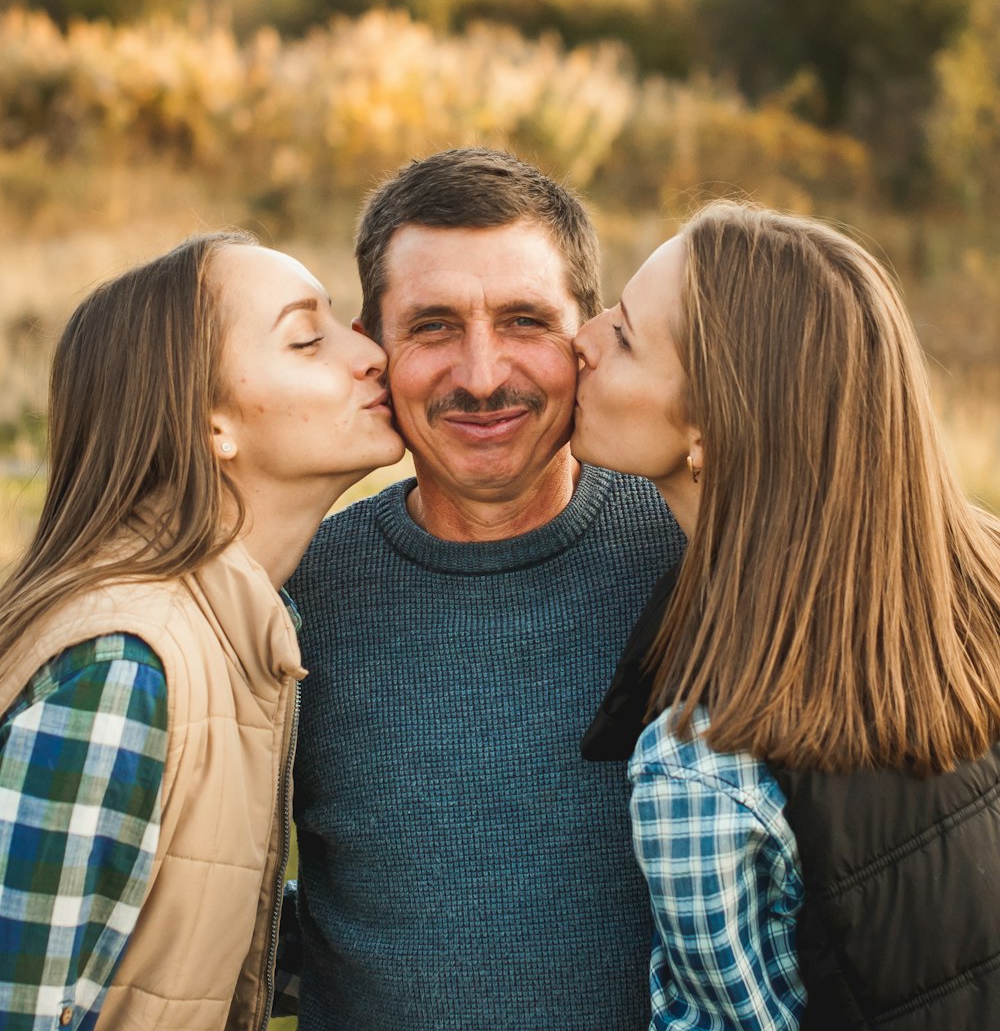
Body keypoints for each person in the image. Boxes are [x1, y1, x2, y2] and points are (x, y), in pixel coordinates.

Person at [572, 199, 1000, 1031]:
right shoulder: (983, 574)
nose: (579, 339)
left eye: (622, 335)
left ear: (708, 426)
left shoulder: (701, 764)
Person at [286, 147, 686, 1030]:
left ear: (586, 336)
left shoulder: (701, 560)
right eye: (431, 325)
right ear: (372, 346)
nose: (480, 375)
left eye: (524, 321)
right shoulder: (296, 598)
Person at [0, 230, 403, 1030]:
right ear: (212, 423)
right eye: (306, 337)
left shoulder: (239, 633)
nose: (371, 353)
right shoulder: (122, 668)